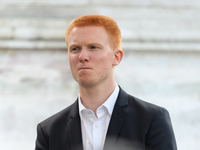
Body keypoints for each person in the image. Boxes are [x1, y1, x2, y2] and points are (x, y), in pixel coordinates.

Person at [35, 15, 177, 150]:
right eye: (75, 49)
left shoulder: (152, 120)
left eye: (93, 47)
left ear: (116, 57)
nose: (82, 56)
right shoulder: (49, 131)